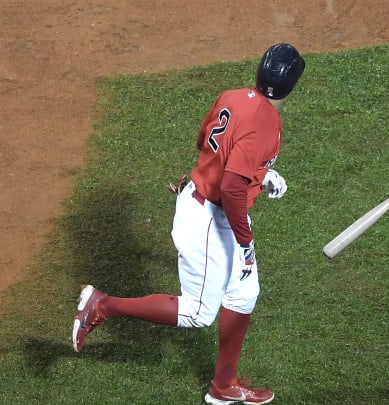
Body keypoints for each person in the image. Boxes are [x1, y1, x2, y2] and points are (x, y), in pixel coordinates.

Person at [71, 43, 306, 405]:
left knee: (244, 294)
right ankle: (102, 305)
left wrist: (260, 174)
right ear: (292, 85)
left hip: (202, 201)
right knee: (198, 313)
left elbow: (208, 143)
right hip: (213, 220)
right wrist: (244, 243)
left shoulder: (232, 97)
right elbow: (230, 185)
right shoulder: (268, 124)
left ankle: (223, 387)